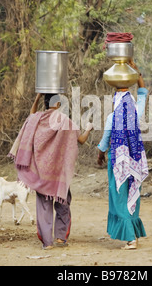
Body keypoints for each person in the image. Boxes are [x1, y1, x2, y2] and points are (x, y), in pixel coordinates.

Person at [8, 93, 93, 250]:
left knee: (44, 206)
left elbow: (31, 114)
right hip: (59, 174)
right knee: (63, 202)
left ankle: (47, 243)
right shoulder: (65, 121)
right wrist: (88, 129)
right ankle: (60, 237)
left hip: (41, 174)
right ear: (59, 104)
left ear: (45, 104)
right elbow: (80, 140)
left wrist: (37, 97)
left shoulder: (36, 120)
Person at [97, 60, 149, 250]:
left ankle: (130, 238)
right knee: (132, 196)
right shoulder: (136, 110)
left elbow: (105, 141)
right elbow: (143, 93)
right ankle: (133, 232)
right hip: (135, 161)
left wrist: (100, 155)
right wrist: (136, 71)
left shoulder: (113, 117)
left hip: (118, 163)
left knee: (119, 198)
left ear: (115, 102)